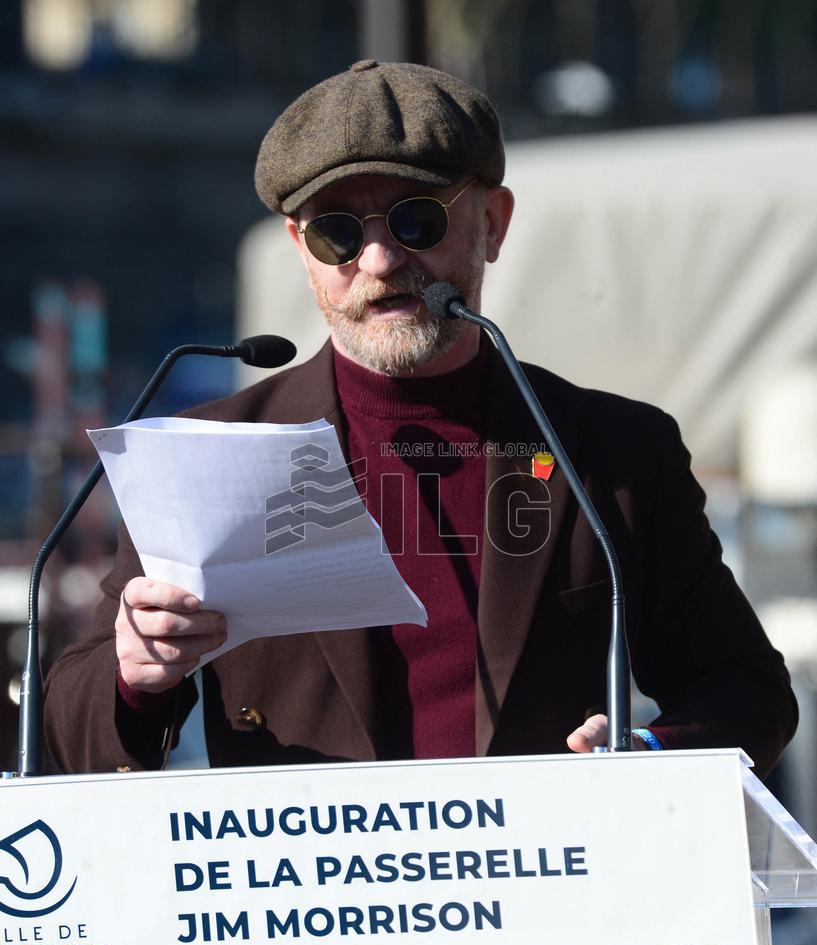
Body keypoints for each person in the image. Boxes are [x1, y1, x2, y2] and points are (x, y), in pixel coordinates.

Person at [43, 60, 796, 778]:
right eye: (337, 232)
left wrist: (650, 753)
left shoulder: (612, 450)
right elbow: (61, 737)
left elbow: (747, 694)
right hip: (307, 896)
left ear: (492, 225)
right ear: (301, 252)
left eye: (416, 220)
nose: (376, 260)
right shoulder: (208, 456)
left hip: (551, 886)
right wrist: (136, 675)